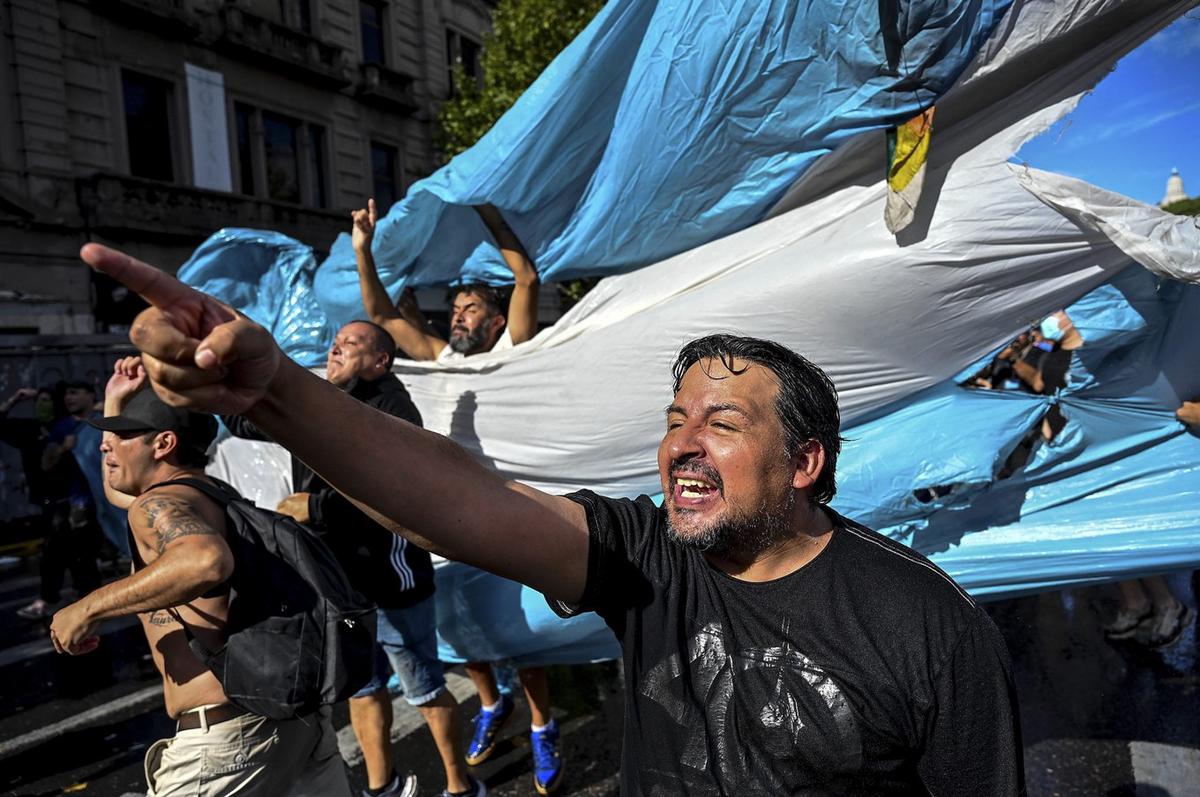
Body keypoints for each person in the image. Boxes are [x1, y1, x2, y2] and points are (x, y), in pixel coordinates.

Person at [83, 244, 1025, 795]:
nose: (682, 446)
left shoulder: (930, 628)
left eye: (723, 425)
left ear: (807, 463)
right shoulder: (649, 557)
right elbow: (466, 502)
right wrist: (275, 394)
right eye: (673, 422)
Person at [49, 357, 351, 796]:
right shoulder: (207, 494)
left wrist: (90, 606)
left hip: (231, 743)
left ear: (164, 444)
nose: (105, 446)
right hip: (293, 724)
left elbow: (204, 560)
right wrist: (116, 400)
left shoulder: (156, 506)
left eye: (123, 436)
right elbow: (119, 490)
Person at [222, 320, 485, 797]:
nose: (336, 347)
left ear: (380, 361)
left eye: (351, 343)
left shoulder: (392, 409)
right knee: (361, 688)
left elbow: (399, 494)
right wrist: (229, 378)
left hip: (392, 584)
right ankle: (381, 786)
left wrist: (316, 507)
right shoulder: (320, 399)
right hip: (342, 587)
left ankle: (459, 785)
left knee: (423, 688)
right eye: (335, 340)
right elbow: (245, 420)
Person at [352, 199, 562, 792]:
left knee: (518, 628)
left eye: (472, 308)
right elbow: (379, 314)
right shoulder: (441, 357)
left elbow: (526, 278)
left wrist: (488, 210)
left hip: (514, 509)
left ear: (497, 321)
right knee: (465, 627)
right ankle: (493, 705)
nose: (460, 316)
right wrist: (363, 250)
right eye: (457, 307)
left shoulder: (512, 349)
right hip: (452, 514)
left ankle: (543, 724)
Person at [16, 380, 104, 620]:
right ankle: (80, 601)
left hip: (104, 499)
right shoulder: (63, 427)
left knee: (86, 552)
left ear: (90, 395)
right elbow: (46, 463)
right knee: (70, 552)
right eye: (66, 395)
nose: (69, 398)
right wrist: (63, 449)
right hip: (76, 501)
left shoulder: (104, 419)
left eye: (75, 393)